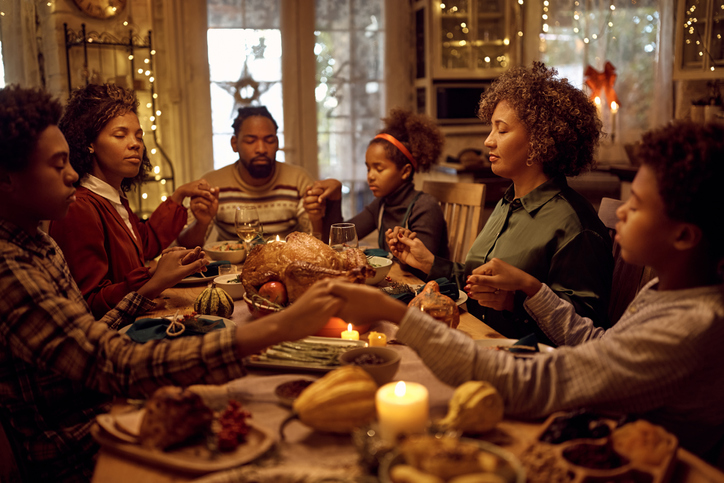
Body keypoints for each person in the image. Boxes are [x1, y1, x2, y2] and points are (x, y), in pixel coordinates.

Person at [0, 85, 346, 482]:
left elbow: (89, 332)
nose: (72, 174)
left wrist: (145, 289)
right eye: (57, 164)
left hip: (99, 400)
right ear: (7, 178)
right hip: (71, 440)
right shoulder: (10, 268)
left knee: (248, 407)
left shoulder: (37, 243)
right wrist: (277, 329)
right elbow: (114, 363)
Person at [329, 120, 724, 467]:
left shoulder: (691, 327)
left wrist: (396, 313)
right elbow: (601, 345)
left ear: (684, 236)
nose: (619, 212)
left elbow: (534, 384)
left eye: (635, 206)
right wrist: (533, 289)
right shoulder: (668, 289)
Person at [387, 62, 613, 345]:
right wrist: (430, 263)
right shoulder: (509, 201)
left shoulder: (575, 226)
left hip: (528, 367)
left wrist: (514, 304)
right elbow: (480, 282)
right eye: (491, 129)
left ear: (539, 141)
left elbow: (586, 334)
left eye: (501, 131)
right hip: (479, 339)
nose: (488, 141)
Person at [48, 84, 219, 319]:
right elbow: (91, 302)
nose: (135, 144)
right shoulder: (80, 208)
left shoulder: (112, 197)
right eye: (121, 135)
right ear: (89, 143)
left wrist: (178, 197)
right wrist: (154, 278)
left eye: (139, 136)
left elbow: (144, 243)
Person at [303, 108, 449, 258]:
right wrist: (335, 196)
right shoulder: (381, 205)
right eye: (368, 168)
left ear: (405, 171)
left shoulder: (425, 207)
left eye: (378, 169)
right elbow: (340, 242)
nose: (370, 176)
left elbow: (422, 268)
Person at [187, 106, 331, 243]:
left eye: (269, 140)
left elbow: (317, 242)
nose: (261, 149)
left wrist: (316, 219)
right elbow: (185, 246)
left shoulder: (299, 179)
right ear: (234, 144)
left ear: (277, 143)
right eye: (251, 141)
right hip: (231, 267)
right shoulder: (212, 183)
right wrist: (201, 224)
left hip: (285, 264)